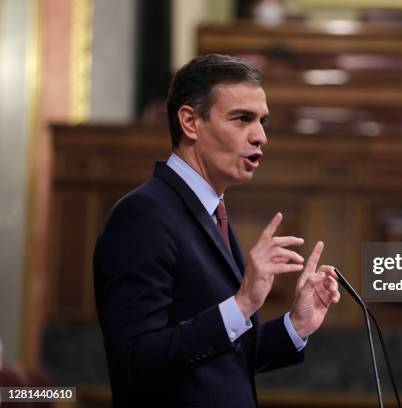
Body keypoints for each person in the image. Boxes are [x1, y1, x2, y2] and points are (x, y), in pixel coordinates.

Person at [93, 54, 341, 407]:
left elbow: (222, 362)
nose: (261, 137)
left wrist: (295, 325)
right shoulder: (143, 216)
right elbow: (135, 361)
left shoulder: (210, 212)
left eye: (263, 121)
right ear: (191, 122)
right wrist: (240, 305)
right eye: (242, 119)